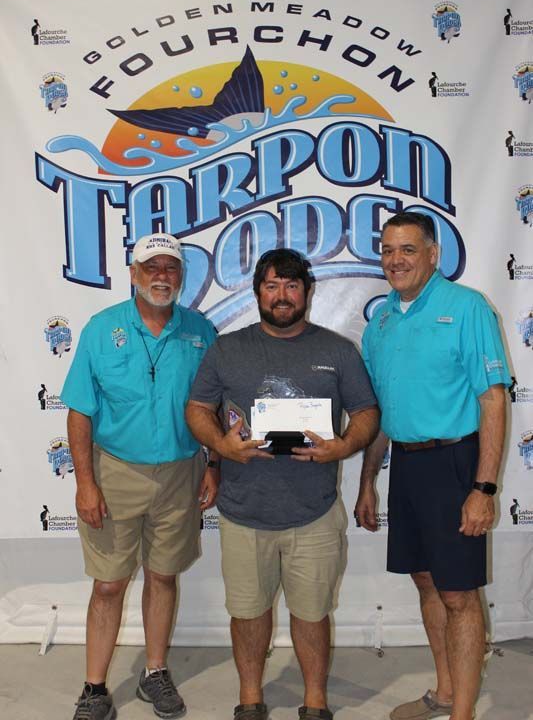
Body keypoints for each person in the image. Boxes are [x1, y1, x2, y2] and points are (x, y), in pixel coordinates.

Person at [186, 248, 379, 720]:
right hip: (243, 510)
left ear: (308, 292)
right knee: (248, 615)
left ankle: (315, 701)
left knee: (312, 615)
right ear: (257, 293)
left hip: (312, 511)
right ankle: (250, 699)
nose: (282, 296)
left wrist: (343, 446)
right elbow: (197, 408)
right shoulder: (227, 349)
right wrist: (222, 447)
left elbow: (367, 413)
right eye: (271, 286)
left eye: (292, 286)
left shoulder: (337, 350)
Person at [355, 212, 510, 720]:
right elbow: (380, 412)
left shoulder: (467, 309)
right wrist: (367, 482)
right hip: (407, 465)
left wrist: (483, 487)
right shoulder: (381, 322)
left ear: (433, 255)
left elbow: (492, 400)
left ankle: (462, 713)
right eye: (387, 250)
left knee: (460, 593)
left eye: (407, 249)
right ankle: (444, 691)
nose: (395, 260)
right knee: (425, 579)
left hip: (456, 463)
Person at [61, 233, 218, 720]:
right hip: (115, 474)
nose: (161, 276)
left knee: (163, 575)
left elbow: (213, 404)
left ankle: (155, 673)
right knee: (108, 584)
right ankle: (94, 687)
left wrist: (213, 463)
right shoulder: (101, 329)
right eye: (151, 267)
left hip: (181, 472)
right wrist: (86, 483)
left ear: (181, 275)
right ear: (133, 273)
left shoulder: (200, 331)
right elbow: (80, 412)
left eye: (171, 267)